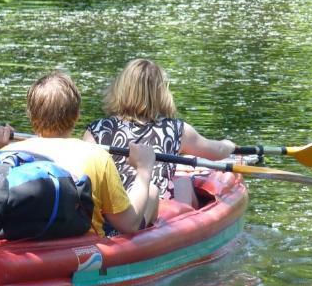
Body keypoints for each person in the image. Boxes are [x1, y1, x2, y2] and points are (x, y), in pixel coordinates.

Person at [0, 71, 156, 235]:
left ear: (31, 115)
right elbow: (129, 225)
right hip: (81, 247)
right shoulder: (97, 156)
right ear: (77, 115)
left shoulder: (7, 154)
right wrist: (144, 170)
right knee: (153, 191)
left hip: (23, 245)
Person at [83, 58, 236, 206]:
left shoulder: (97, 129)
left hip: (109, 207)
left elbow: (83, 170)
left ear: (120, 89)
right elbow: (217, 151)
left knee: (181, 178)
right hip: (154, 209)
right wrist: (229, 145)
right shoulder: (176, 130)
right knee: (182, 180)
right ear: (160, 93)